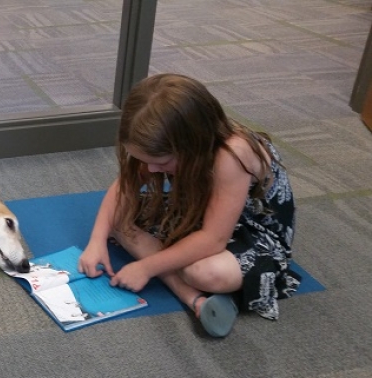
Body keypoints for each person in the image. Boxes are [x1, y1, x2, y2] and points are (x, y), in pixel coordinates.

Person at [78, 73, 300, 338]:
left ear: (190, 144)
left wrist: (145, 268)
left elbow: (213, 239)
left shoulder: (232, 155)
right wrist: (96, 240)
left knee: (205, 273)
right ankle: (192, 298)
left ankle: (186, 285)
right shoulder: (163, 139)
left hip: (254, 230)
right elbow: (125, 186)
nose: (151, 170)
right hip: (197, 207)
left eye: (161, 163)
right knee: (118, 217)